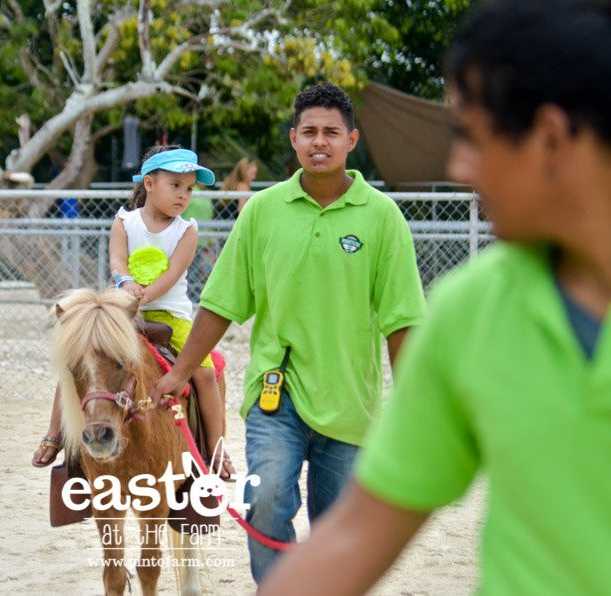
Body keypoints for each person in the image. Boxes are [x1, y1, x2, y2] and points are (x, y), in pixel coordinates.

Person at [260, 1, 611, 594]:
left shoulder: (386, 225)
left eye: (471, 139)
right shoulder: (472, 309)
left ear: (551, 137)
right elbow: (354, 538)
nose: (457, 167)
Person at [150, 84, 427, 584]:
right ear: (294, 139)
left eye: (331, 133)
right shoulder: (263, 211)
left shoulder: (383, 218)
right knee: (266, 499)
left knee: (338, 529)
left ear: (351, 141)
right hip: (276, 398)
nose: (320, 142)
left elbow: (402, 321)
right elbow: (220, 304)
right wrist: (180, 373)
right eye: (310, 132)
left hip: (350, 401)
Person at [34, 146, 235, 479]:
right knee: (80, 360)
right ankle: (55, 435)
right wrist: (124, 283)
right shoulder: (125, 221)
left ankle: (215, 447)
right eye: (176, 185)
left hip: (171, 314)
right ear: (150, 183)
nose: (184, 195)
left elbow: (174, 273)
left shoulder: (187, 230)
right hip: (121, 311)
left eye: (189, 188)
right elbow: (117, 260)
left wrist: (144, 296)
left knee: (205, 372)